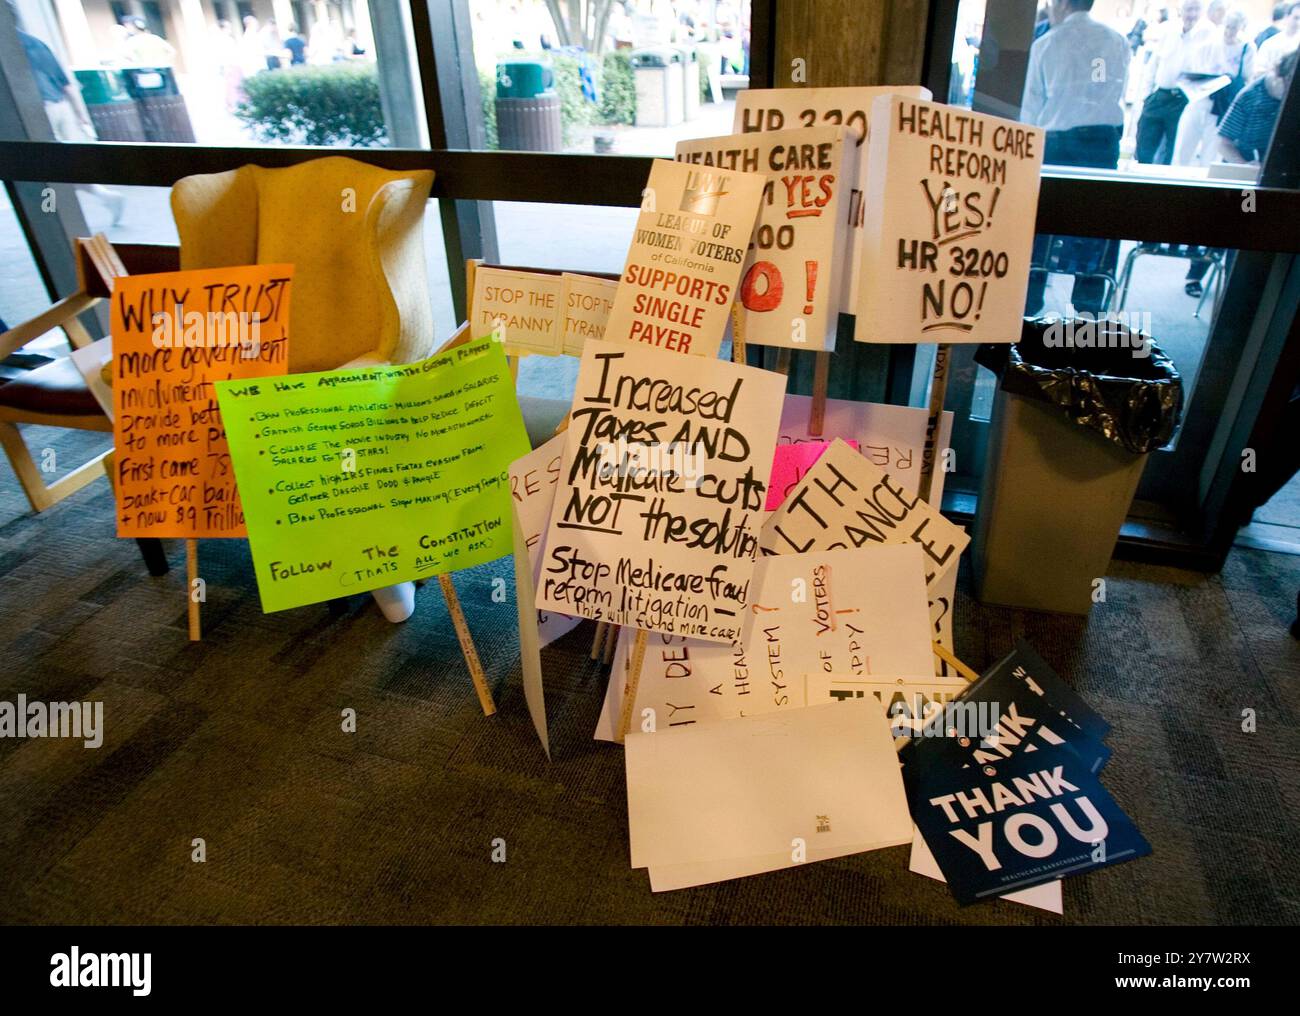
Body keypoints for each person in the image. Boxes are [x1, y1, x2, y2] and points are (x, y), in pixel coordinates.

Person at [1021, 0, 1130, 314]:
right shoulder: (1116, 40)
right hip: (1102, 141)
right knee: (1095, 223)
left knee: (1042, 224)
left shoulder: (1046, 44)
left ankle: (1029, 303)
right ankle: (1088, 305)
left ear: (1061, 4)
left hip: (1057, 142)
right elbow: (1111, 89)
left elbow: (1032, 107)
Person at [15, 23, 123, 224]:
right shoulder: (36, 43)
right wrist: (81, 114)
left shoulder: (8, 46)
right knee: (62, 161)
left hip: (37, 111)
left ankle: (53, 213)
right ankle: (101, 196)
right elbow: (65, 82)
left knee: (47, 166)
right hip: (60, 105)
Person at [1135, 0, 1216, 163]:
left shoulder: (1210, 34)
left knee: (1172, 153)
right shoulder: (1169, 29)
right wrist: (1146, 95)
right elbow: (1154, 64)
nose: (1192, 14)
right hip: (1160, 95)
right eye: (1188, 9)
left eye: (1196, 9)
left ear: (1202, 12)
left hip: (1184, 100)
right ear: (1181, 10)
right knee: (1144, 146)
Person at [1172, 6, 1254, 166]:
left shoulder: (1247, 48)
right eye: (1228, 26)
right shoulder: (1209, 43)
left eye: (1234, 28)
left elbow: (1247, 77)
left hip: (1223, 105)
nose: (1229, 32)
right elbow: (1193, 69)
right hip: (1201, 98)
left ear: (1241, 28)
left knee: (1211, 152)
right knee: (1184, 148)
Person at [1217, 48, 1296, 161]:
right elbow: (1223, 143)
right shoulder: (1249, 96)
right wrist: (1245, 166)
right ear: (1278, 76)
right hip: (1245, 165)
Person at [1256, 1, 1300, 75]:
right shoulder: (1270, 43)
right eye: (1296, 18)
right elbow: (1259, 70)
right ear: (1287, 17)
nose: (1298, 22)